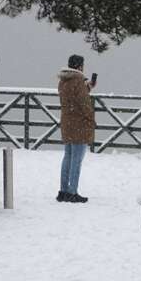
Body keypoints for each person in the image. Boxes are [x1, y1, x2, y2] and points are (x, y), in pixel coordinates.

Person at [57, 54, 95, 203]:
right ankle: (73, 192)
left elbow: (72, 97)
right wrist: (91, 120)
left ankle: (63, 191)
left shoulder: (63, 80)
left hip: (67, 122)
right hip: (79, 123)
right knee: (76, 160)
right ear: (80, 66)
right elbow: (84, 103)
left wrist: (88, 88)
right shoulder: (78, 80)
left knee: (68, 157)